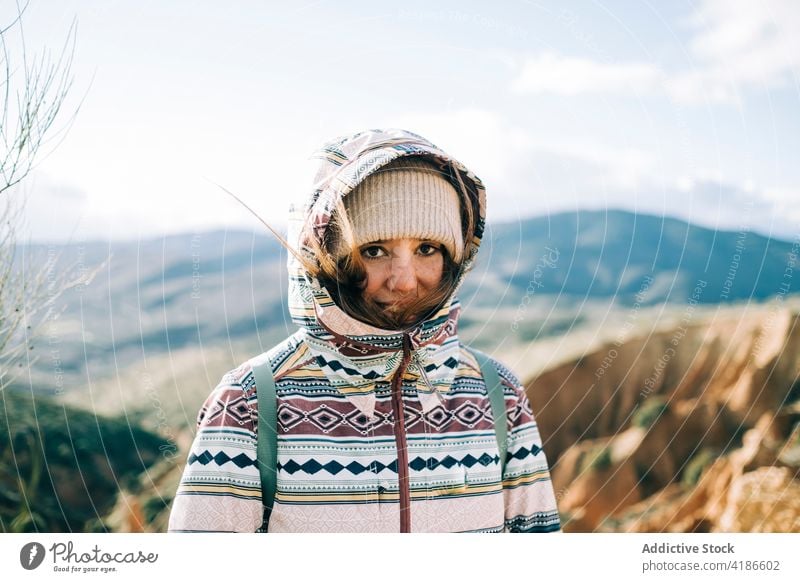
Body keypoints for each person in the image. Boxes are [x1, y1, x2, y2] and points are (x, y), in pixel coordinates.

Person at [168, 128, 561, 533]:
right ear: (323, 260)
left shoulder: (497, 394)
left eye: (427, 249)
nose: (404, 281)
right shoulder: (249, 406)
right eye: (374, 251)